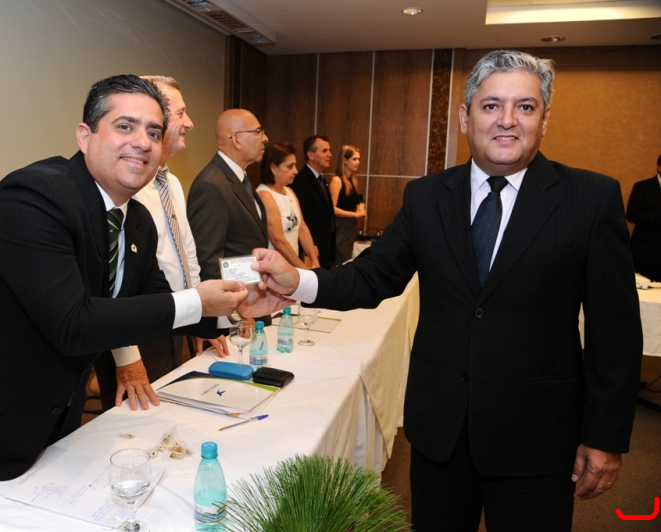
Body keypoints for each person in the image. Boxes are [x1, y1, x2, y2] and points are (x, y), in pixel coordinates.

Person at [243, 50, 643, 532]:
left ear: (545, 119)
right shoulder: (427, 196)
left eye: (525, 106)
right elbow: (371, 276)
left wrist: (605, 436)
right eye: (492, 105)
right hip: (440, 435)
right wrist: (299, 280)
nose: (508, 120)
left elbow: (615, 332)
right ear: (465, 117)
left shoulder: (591, 199)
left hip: (537, 438)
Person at [0, 74, 247, 529]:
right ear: (85, 135)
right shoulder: (33, 195)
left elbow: (161, 304)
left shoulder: (136, 220)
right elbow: (72, 323)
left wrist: (234, 309)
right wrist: (199, 302)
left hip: (48, 422)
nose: (142, 142)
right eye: (125, 126)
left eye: (154, 132)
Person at [104, 75, 228, 387]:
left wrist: (201, 317)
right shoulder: (126, 184)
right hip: (138, 332)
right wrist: (127, 356)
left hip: (177, 323)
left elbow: (188, 254)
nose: (190, 123)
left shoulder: (169, 182)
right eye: (181, 113)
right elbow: (112, 283)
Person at [187, 109, 269, 283]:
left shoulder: (239, 178)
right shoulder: (211, 185)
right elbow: (207, 262)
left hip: (252, 292)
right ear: (237, 140)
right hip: (235, 296)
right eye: (258, 132)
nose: (265, 138)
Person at [256, 141, 320, 269]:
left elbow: (302, 228)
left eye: (295, 165)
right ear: (273, 168)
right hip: (275, 268)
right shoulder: (265, 196)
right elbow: (278, 241)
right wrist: (304, 270)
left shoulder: (289, 191)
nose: (295, 171)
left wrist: (314, 260)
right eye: (290, 166)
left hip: (292, 265)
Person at [290, 135, 336, 268]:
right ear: (311, 155)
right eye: (324, 151)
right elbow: (300, 219)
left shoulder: (322, 180)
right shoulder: (300, 180)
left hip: (324, 248)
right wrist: (308, 248)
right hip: (310, 250)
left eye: (330, 150)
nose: (330, 155)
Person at [626, 154, 661, 281]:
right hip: (646, 254)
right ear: (659, 167)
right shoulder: (643, 187)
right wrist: (657, 218)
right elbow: (631, 214)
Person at [330, 145, 366, 264]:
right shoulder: (337, 180)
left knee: (347, 259)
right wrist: (355, 215)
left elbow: (354, 201)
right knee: (341, 259)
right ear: (344, 160)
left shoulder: (352, 181)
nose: (358, 162)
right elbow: (332, 209)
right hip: (340, 228)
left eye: (359, 159)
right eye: (354, 159)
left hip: (350, 227)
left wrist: (361, 206)